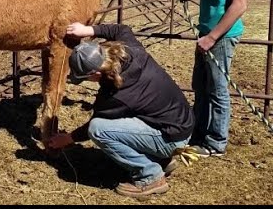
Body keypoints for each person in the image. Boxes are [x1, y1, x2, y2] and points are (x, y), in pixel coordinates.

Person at [48, 22, 194, 199]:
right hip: (179, 123)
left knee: (98, 129)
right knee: (120, 120)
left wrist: (68, 138)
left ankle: (150, 175)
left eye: (86, 77)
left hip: (171, 137)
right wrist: (88, 30)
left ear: (96, 73)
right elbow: (121, 29)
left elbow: (92, 127)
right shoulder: (129, 48)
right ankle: (160, 159)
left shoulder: (117, 95)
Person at [169, 0, 250, 157]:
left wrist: (213, 37)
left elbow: (239, 4)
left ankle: (216, 142)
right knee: (201, 86)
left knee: (217, 89)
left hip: (220, 36)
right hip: (207, 33)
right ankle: (199, 132)